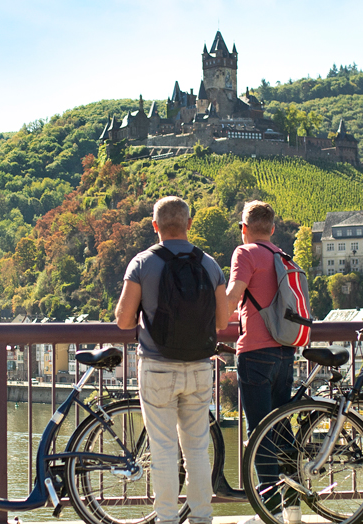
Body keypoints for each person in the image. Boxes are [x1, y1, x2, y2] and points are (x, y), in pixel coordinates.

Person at [115, 196, 232, 524]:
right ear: (189, 225)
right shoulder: (209, 265)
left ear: (155, 226)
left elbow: (124, 320)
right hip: (198, 366)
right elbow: (223, 322)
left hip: (157, 366)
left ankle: (166, 519)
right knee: (196, 449)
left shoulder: (142, 263)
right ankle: (201, 519)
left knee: (163, 449)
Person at [226, 201, 298, 523]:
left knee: (260, 433)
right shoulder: (283, 256)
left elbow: (232, 297)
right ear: (272, 229)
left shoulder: (245, 254)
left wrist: (208, 321)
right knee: (282, 428)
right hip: (285, 351)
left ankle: (269, 513)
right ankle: (293, 508)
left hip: (255, 352)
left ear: (244, 228)